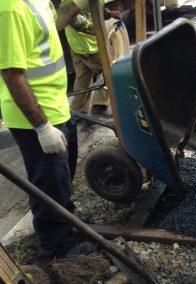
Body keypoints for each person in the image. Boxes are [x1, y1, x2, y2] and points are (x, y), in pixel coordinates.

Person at [0, 0, 93, 259]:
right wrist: (42, 127)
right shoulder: (11, 8)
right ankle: (59, 248)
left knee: (60, 179)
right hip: (36, 118)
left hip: (57, 107)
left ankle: (66, 223)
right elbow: (12, 74)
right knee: (48, 186)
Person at [62, 0, 121, 116]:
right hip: (89, 46)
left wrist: (109, 13)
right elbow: (72, 18)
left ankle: (78, 111)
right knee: (110, 73)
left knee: (83, 79)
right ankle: (102, 106)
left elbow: (96, 7)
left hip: (78, 45)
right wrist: (95, 29)